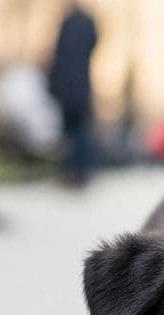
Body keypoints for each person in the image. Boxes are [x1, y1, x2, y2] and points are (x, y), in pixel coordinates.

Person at [49, 1, 99, 186]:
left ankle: (75, 172)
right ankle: (81, 171)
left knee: (74, 132)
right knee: (79, 132)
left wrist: (54, 85)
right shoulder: (87, 22)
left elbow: (59, 57)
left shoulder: (68, 23)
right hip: (79, 87)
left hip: (69, 88)